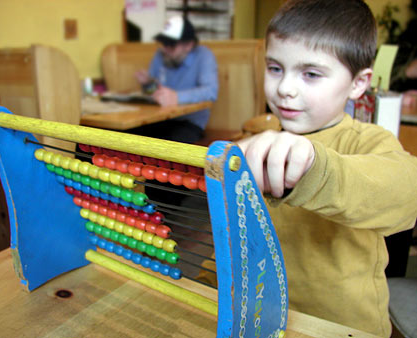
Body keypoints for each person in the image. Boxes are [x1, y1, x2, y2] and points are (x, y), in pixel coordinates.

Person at [197, 0, 417, 337]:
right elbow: (234, 233)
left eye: (310, 74)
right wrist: (208, 283)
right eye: (275, 68)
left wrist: (316, 168)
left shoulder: (367, 141)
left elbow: (405, 193)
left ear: (358, 84)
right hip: (264, 319)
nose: (285, 88)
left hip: (343, 327)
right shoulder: (256, 144)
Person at [132, 15, 219, 144]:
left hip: (189, 123)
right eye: (164, 43)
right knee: (130, 139)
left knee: (164, 148)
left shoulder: (204, 55)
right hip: (158, 120)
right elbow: (155, 93)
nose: (165, 49)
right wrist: (147, 84)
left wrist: (177, 97)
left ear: (188, 45)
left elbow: (211, 91)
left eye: (171, 44)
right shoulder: (160, 55)